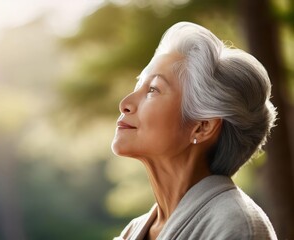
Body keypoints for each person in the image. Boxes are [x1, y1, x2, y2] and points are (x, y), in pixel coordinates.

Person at [111, 21, 278, 240]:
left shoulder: (237, 226)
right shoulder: (133, 231)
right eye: (137, 86)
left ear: (202, 126)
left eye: (153, 89)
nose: (125, 103)